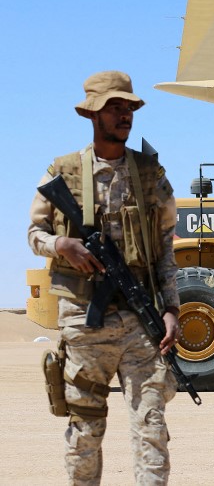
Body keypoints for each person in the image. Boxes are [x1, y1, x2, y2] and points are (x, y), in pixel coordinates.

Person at [28, 71, 180, 484]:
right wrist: (63, 247)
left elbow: (166, 248)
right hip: (83, 319)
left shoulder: (150, 174)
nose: (124, 114)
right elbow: (34, 233)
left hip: (139, 321)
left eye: (128, 107)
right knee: (85, 431)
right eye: (115, 107)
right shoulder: (62, 172)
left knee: (152, 428)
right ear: (93, 113)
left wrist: (170, 309)